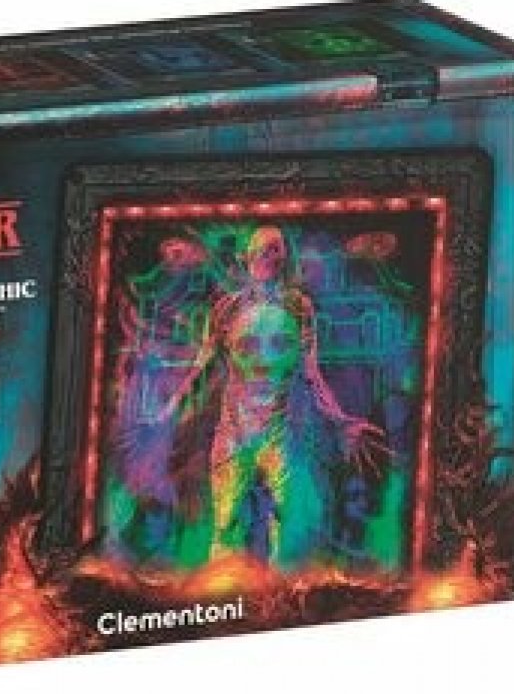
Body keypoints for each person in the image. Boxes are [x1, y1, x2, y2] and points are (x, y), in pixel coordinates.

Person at [160, 226, 389, 568]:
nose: (270, 256)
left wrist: (340, 419)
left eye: (276, 249)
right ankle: (223, 592)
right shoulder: (227, 307)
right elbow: (203, 362)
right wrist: (172, 405)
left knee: (288, 527)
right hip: (234, 432)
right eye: (263, 249)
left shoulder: (298, 306)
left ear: (284, 257)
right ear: (247, 257)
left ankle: (279, 595)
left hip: (281, 433)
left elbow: (311, 372)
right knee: (226, 523)